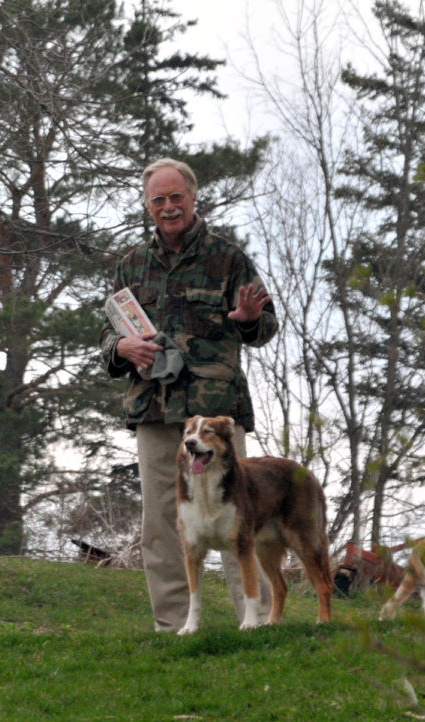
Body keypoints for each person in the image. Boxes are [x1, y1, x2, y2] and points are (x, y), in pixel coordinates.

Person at [99, 157, 279, 632]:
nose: (168, 207)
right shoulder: (130, 265)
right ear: (147, 205)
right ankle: (173, 627)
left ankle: (254, 621)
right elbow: (107, 337)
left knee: (238, 514)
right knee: (161, 522)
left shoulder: (228, 258)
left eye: (176, 197)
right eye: (158, 200)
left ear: (193, 197)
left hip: (215, 416)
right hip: (155, 411)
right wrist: (121, 346)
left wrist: (248, 320)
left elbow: (267, 325)